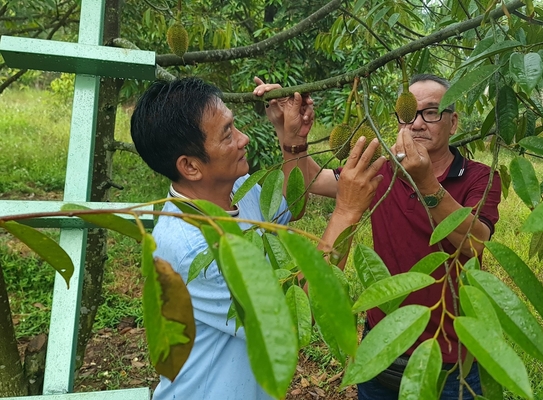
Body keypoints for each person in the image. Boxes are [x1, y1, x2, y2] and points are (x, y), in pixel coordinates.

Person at [130, 77, 386, 400]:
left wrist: (291, 139)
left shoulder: (237, 189)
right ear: (191, 166)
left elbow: (292, 204)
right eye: (227, 135)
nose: (244, 138)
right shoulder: (193, 246)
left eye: (234, 126)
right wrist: (347, 212)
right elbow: (290, 318)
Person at [264, 73, 502, 399]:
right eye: (408, 114)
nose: (417, 124)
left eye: (431, 112)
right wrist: (292, 136)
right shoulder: (383, 170)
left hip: (449, 353)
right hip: (382, 344)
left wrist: (427, 184)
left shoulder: (480, 177)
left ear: (453, 121)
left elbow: (475, 241)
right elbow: (310, 182)